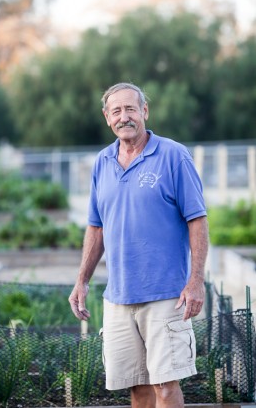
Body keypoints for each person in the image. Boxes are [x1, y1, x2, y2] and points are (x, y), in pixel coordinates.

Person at [69, 82, 209, 408]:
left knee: (165, 385)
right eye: (116, 111)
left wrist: (196, 280)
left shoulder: (174, 156)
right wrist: (82, 280)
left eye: (131, 109)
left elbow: (198, 221)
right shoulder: (102, 163)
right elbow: (96, 227)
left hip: (166, 295)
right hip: (119, 297)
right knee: (137, 388)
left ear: (144, 111)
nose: (124, 117)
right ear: (107, 118)